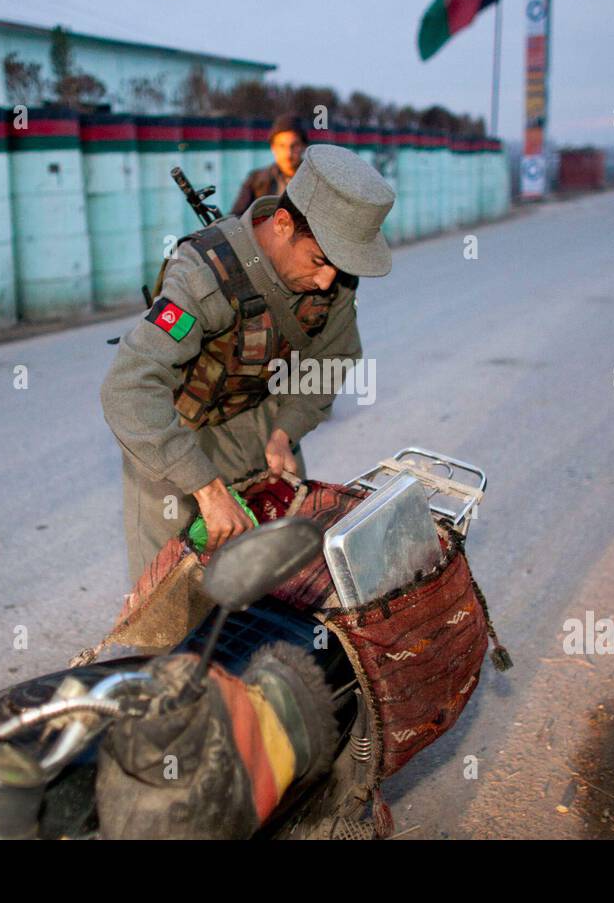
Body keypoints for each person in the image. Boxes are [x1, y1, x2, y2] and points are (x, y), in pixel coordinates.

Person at [102, 144, 395, 584]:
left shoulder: (333, 275)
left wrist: (286, 430)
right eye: (318, 261)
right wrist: (206, 487)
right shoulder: (203, 277)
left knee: (280, 583)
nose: (326, 282)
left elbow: (333, 358)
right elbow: (128, 387)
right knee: (175, 599)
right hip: (175, 434)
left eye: (338, 267)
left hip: (257, 422)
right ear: (282, 224)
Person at [230, 114, 308, 216]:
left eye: (294, 145)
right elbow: (236, 216)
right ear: (273, 147)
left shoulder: (315, 180)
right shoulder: (256, 180)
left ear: (304, 146)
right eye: (282, 146)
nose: (288, 153)